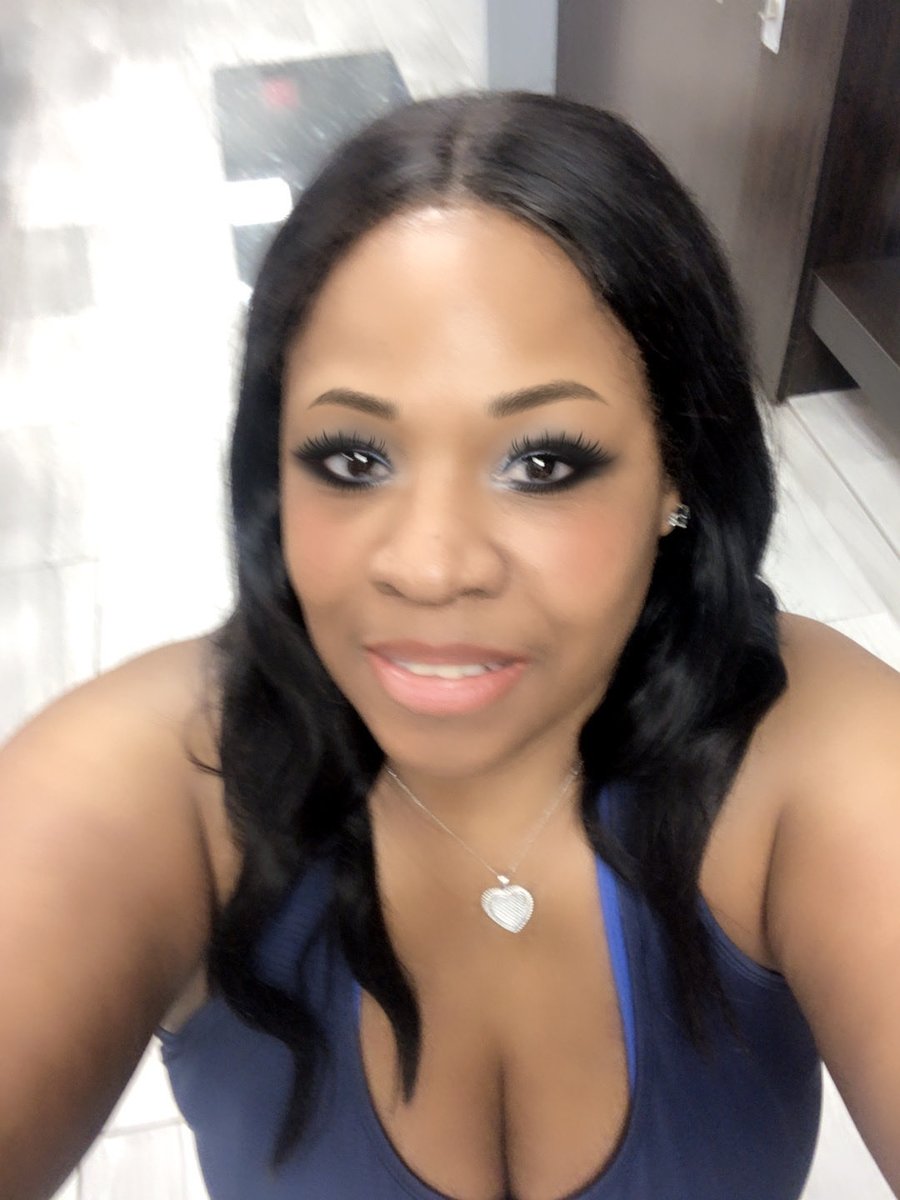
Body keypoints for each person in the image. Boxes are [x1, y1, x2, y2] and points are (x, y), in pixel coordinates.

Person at [1, 91, 898, 1200]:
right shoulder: (147, 783)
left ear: (678, 470)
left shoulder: (817, 754)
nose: (430, 567)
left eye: (542, 463)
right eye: (354, 459)